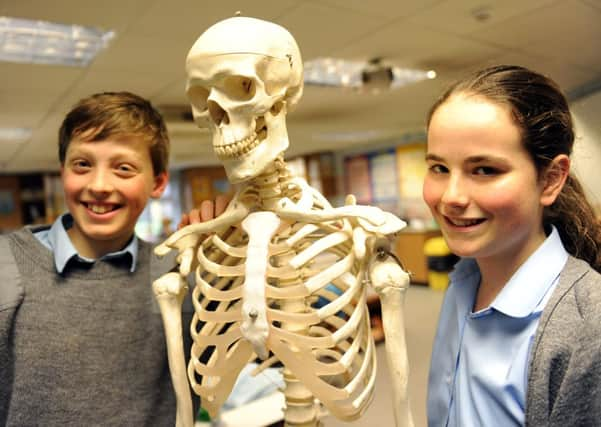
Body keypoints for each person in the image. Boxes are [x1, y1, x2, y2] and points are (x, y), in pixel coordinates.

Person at [424, 64, 601, 426]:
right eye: (439, 168)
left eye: (485, 170)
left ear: (550, 180)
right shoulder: (464, 279)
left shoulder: (589, 330)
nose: (451, 197)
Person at [0, 91, 177, 426]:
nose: (98, 185)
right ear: (63, 171)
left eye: (123, 168)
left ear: (158, 182)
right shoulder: (7, 268)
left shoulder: (177, 274)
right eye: (82, 164)